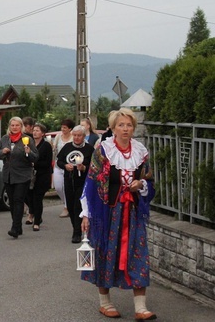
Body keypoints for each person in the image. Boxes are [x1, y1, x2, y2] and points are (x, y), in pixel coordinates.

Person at [80, 108, 156, 320]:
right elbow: (91, 182)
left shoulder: (141, 151)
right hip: (106, 213)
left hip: (132, 214)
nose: (125, 129)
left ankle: (141, 308)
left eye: (129, 125)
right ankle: (105, 302)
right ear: (113, 128)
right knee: (104, 253)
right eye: (121, 125)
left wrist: (140, 184)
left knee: (138, 253)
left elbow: (149, 181)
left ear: (133, 128)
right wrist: (86, 214)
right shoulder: (103, 150)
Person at [0, 117, 38, 238]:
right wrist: (2, 152)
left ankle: (15, 227)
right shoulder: (5, 139)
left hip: (22, 174)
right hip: (9, 174)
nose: (14, 127)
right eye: (12, 125)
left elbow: (35, 157)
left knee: (18, 199)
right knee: (12, 201)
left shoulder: (27, 139)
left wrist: (28, 152)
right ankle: (17, 226)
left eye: (17, 125)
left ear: (21, 127)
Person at [56, 125, 94, 243]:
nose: (77, 138)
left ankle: (77, 232)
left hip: (83, 181)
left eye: (79, 136)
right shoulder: (67, 147)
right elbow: (59, 161)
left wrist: (83, 167)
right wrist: (65, 166)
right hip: (69, 179)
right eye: (75, 135)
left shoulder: (89, 149)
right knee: (71, 206)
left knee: (78, 205)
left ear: (83, 136)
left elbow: (93, 166)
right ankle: (75, 227)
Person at [29, 123, 53, 231]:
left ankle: (37, 221)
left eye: (37, 130)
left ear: (43, 133)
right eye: (34, 130)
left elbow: (48, 162)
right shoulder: (29, 143)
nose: (35, 132)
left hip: (42, 175)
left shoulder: (46, 145)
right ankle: (33, 212)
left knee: (38, 198)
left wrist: (35, 164)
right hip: (30, 175)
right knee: (28, 196)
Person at [52, 118, 75, 218]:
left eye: (65, 127)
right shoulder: (58, 136)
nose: (63, 129)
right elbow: (55, 149)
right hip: (58, 164)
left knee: (67, 187)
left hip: (69, 165)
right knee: (58, 187)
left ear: (70, 129)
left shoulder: (73, 138)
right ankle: (68, 202)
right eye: (62, 127)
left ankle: (66, 207)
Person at [22, 116, 35, 224]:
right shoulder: (21, 137)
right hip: (23, 168)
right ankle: (31, 209)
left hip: (33, 168)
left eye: (25, 125)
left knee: (31, 191)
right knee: (25, 192)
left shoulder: (32, 138)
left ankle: (32, 212)